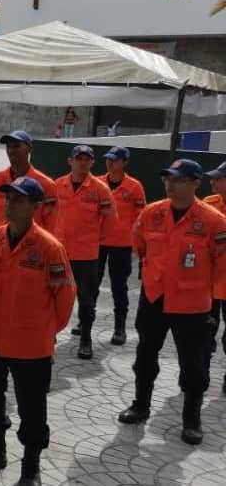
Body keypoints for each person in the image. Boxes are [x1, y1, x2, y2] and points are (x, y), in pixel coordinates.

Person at [0, 176, 75, 486]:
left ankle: (31, 467)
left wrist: (46, 330)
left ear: (35, 207)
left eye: (18, 200)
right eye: (8, 198)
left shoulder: (49, 248)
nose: (10, 204)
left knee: (32, 408)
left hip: (31, 344)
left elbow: (65, 296)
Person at [119, 159, 226, 446]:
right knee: (145, 356)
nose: (169, 183)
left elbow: (221, 263)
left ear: (195, 183)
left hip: (192, 305)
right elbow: (140, 244)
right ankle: (140, 405)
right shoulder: (152, 213)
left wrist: (208, 297)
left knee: (193, 365)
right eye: (167, 178)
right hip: (154, 297)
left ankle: (191, 420)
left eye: (177, 179)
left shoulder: (214, 221)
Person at [0, 131, 60, 379]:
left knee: (28, 311)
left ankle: (35, 354)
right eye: (8, 146)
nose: (11, 150)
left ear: (29, 148)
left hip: (31, 259)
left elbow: (52, 227)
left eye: (16, 145)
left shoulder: (46, 185)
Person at [55, 144, 115, 360]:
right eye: (79, 158)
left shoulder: (100, 189)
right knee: (51, 296)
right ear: (70, 161)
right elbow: (49, 214)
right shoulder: (58, 185)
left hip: (86, 255)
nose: (83, 162)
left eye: (87, 158)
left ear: (92, 162)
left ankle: (86, 339)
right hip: (59, 252)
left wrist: (94, 241)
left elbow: (110, 221)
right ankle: (47, 339)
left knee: (87, 300)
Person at [96, 146, 146, 346]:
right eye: (108, 159)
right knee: (91, 284)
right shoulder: (97, 182)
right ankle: (84, 321)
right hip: (98, 242)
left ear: (125, 162)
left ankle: (119, 328)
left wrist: (136, 244)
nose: (110, 162)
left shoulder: (134, 187)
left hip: (122, 244)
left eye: (115, 159)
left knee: (119, 287)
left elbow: (140, 217)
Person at [204, 161, 226, 393]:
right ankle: (202, 371)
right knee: (205, 329)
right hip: (209, 281)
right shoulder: (209, 204)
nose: (213, 181)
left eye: (219, 178)